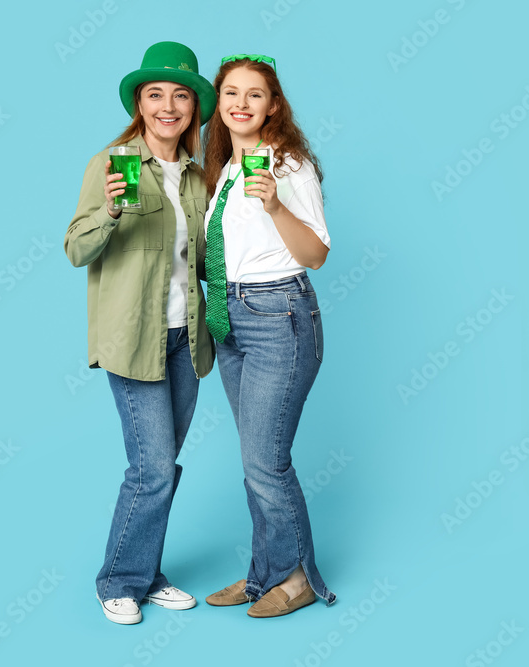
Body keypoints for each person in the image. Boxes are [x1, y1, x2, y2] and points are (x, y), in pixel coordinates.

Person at [63, 41, 216, 625]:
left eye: (180, 95)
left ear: (194, 108)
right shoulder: (111, 162)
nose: (168, 106)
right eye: (156, 95)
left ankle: (147, 575)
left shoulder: (198, 178)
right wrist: (111, 211)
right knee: (151, 469)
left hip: (186, 340)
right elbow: (77, 249)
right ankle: (118, 581)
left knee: (166, 464)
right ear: (140, 104)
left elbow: (202, 263)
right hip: (134, 340)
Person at [201, 54, 335, 617]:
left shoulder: (288, 166)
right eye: (231, 92)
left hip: (279, 315)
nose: (240, 103)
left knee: (266, 460)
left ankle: (298, 579)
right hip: (229, 316)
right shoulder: (225, 171)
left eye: (254, 94)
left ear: (273, 105)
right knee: (255, 458)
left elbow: (317, 254)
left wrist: (275, 204)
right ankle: (263, 575)